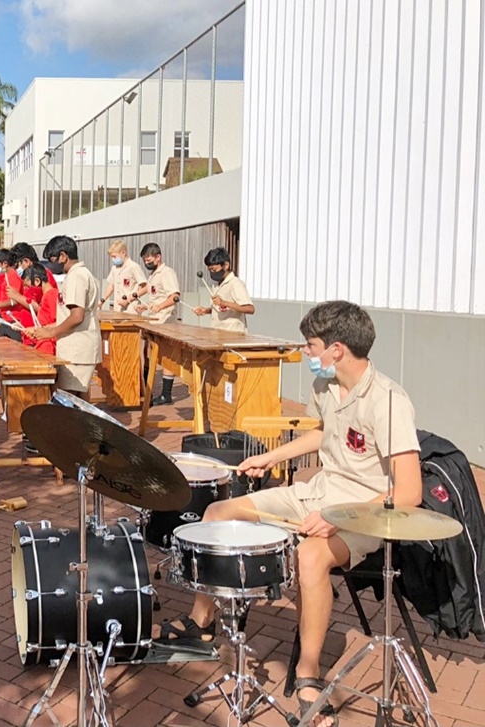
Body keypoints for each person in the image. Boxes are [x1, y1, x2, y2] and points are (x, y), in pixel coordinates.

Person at [160, 301, 420, 727]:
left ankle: (308, 673)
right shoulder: (326, 386)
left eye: (311, 345)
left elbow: (409, 492)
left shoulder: (388, 401)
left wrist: (340, 518)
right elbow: (321, 433)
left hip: (366, 512)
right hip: (316, 492)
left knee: (312, 556)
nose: (306, 351)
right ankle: (201, 621)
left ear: (337, 349)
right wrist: (270, 457)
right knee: (218, 511)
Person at [25, 236, 101, 400]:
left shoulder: (77, 277)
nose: (51, 265)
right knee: (79, 401)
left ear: (63, 256)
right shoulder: (81, 274)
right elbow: (68, 316)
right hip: (77, 347)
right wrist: (45, 329)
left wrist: (50, 332)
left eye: (52, 260)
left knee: (67, 401)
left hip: (77, 350)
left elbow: (76, 316)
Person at [133, 242, 181, 405]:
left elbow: (173, 296)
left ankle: (166, 394)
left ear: (158, 257)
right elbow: (155, 297)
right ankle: (147, 391)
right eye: (145, 261)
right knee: (151, 355)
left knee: (167, 357)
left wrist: (159, 306)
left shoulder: (167, 273)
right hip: (154, 321)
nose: (147, 264)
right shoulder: (153, 275)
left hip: (166, 322)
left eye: (149, 260)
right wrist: (145, 306)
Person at [192, 247, 255, 333]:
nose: (212, 273)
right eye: (210, 270)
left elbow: (250, 308)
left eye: (214, 270)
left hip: (233, 336)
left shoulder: (235, 284)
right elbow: (223, 309)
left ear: (226, 265)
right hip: (218, 334)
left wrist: (224, 302)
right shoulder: (219, 284)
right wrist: (206, 310)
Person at [99, 240, 148, 311]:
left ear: (123, 253)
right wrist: (103, 299)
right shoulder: (114, 268)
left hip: (131, 310)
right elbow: (111, 285)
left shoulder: (133, 267)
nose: (113, 259)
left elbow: (146, 287)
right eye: (111, 257)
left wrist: (128, 299)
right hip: (117, 309)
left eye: (114, 256)